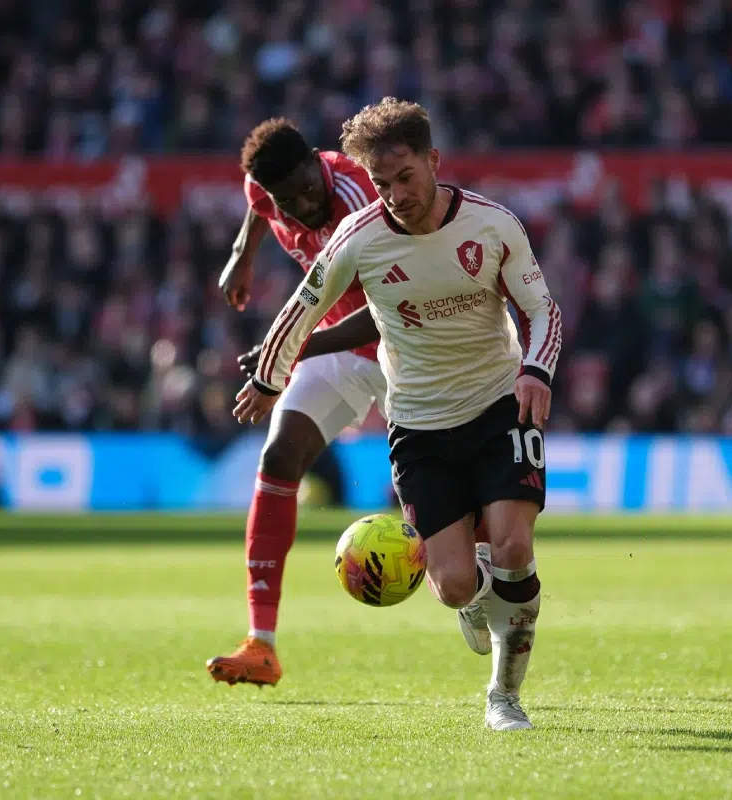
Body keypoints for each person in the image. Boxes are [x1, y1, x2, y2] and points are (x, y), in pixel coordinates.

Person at [234, 98, 561, 731]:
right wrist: (271, 379)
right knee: (456, 586)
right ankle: (474, 593)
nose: (394, 195)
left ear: (433, 161)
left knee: (515, 546)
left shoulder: (493, 226)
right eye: (383, 184)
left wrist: (536, 370)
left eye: (405, 177)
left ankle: (503, 696)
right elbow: (300, 309)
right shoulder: (360, 237)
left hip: (498, 404)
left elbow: (543, 309)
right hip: (420, 424)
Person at [206, 119, 392, 688]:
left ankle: (476, 586)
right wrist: (243, 252)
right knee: (278, 459)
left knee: (432, 496)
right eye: (291, 201)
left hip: (405, 343)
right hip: (337, 346)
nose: (306, 204)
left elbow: (386, 305)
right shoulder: (267, 192)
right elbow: (258, 206)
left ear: (318, 161)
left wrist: (290, 349)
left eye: (310, 188)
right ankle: (261, 644)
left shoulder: (362, 193)